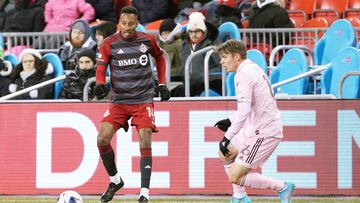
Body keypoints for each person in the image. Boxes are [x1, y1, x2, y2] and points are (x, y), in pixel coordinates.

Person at [94, 6, 170, 203]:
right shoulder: (110, 43)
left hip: (143, 99)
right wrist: (101, 84)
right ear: (119, 23)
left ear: (137, 23)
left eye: (131, 23)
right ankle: (115, 180)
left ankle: (144, 193)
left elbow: (160, 58)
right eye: (124, 23)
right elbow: (101, 69)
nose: (127, 27)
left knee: (145, 138)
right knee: (102, 139)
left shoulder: (147, 39)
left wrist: (162, 84)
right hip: (119, 100)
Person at [214, 39, 295, 203]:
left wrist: (227, 137)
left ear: (236, 57)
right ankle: (239, 196)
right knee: (225, 154)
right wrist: (230, 120)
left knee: (235, 176)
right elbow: (251, 106)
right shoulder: (251, 68)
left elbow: (244, 110)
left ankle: (283, 187)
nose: (221, 62)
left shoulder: (243, 74)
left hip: (264, 132)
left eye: (224, 57)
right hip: (255, 127)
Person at [182, 11, 222, 96]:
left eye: (197, 31)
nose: (193, 34)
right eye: (191, 32)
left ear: (204, 32)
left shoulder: (214, 45)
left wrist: (202, 76)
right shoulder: (185, 45)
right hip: (190, 85)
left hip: (209, 85)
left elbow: (222, 67)